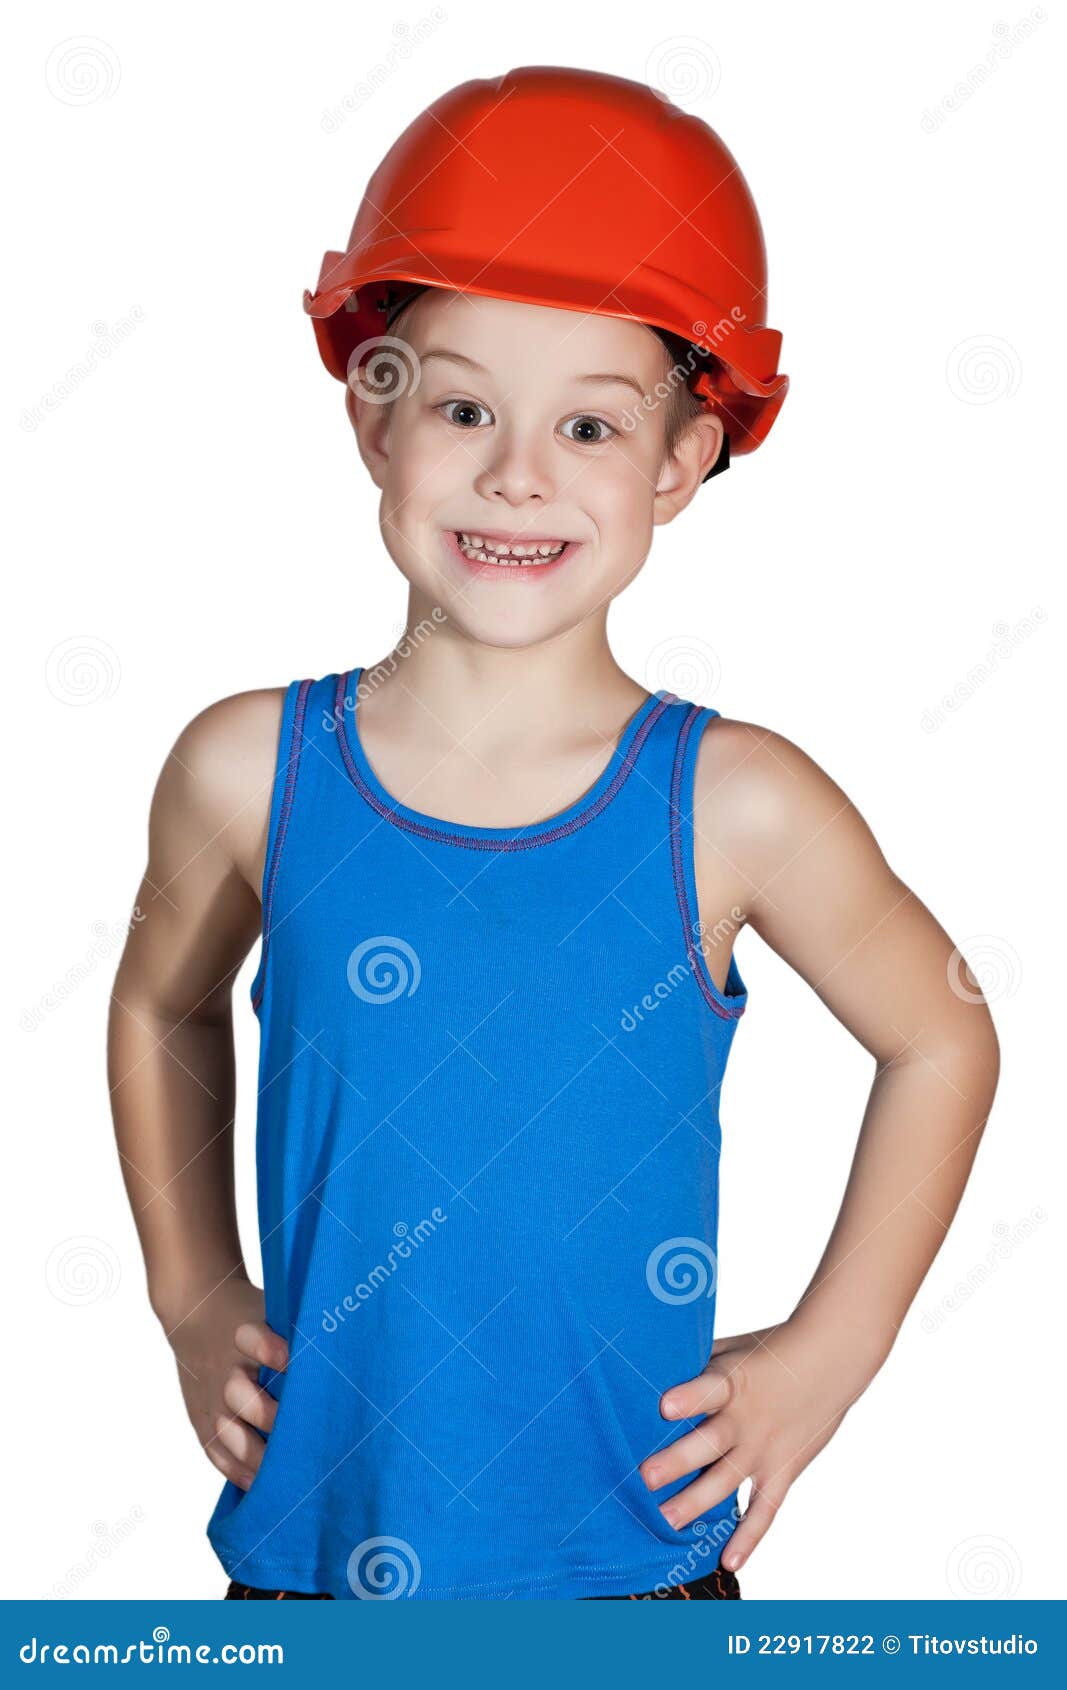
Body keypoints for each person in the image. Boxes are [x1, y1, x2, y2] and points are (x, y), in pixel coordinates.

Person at [107, 66, 1000, 1602]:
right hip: (313, 1562)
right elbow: (158, 1000)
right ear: (372, 412)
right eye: (463, 406)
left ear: (680, 462)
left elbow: (946, 1038)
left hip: (635, 1576)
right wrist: (192, 1294)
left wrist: (829, 1356)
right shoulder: (246, 767)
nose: (518, 470)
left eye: (590, 425)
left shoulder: (736, 803)